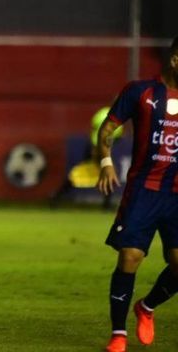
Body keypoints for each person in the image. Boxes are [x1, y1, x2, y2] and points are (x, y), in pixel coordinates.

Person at [97, 36, 178, 352]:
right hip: (143, 191)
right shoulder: (140, 92)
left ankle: (146, 307)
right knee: (130, 257)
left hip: (176, 196)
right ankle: (119, 334)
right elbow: (106, 130)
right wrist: (105, 162)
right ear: (174, 59)